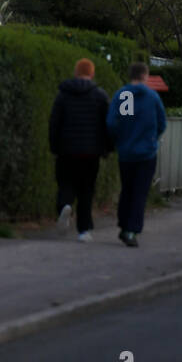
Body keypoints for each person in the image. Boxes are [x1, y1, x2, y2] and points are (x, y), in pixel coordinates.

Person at [48, 58, 110, 241]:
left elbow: (54, 123)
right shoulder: (100, 95)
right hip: (91, 152)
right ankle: (84, 230)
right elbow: (107, 124)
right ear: (92, 73)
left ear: (75, 72)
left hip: (66, 150)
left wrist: (54, 146)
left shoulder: (63, 95)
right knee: (86, 190)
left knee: (66, 183)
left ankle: (65, 206)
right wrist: (106, 147)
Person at [107, 61, 167, 247]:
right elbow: (161, 123)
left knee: (127, 189)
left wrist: (121, 140)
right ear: (145, 75)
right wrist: (151, 139)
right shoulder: (152, 97)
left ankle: (123, 223)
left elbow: (114, 123)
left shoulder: (125, 96)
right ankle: (131, 230)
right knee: (140, 192)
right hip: (146, 153)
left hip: (126, 152)